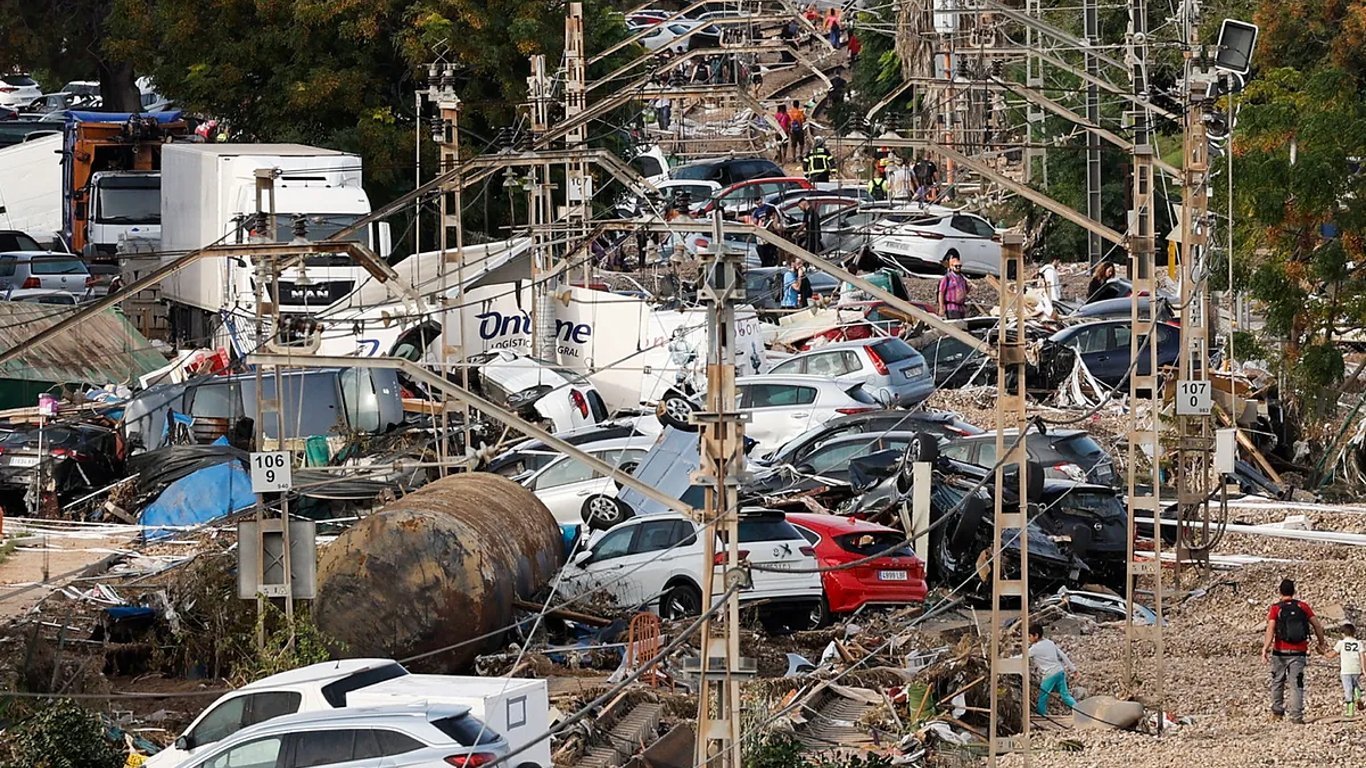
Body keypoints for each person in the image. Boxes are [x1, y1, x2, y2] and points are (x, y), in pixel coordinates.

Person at [1262, 578, 1328, 724]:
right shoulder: (1303, 606)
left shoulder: (1275, 608)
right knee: (1296, 684)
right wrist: (1321, 643)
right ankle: (1296, 717)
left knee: (1277, 681)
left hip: (1280, 652)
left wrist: (1265, 648)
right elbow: (1317, 625)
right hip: (1299, 652)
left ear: (1280, 592)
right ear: (1294, 591)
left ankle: (1277, 713)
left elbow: (1270, 628)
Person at [1028, 625, 1078, 716]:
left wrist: (1008, 661)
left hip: (1049, 674)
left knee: (1043, 696)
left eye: (1029, 636)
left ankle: (1041, 715)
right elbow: (1062, 655)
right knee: (1066, 696)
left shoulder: (1035, 648)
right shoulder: (1050, 643)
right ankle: (1081, 710)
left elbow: (1022, 657)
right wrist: (1073, 669)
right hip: (1060, 671)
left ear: (1036, 635)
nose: (1028, 638)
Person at [1325, 623, 1363, 717]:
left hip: (1346, 670)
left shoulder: (1341, 643)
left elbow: (1331, 655)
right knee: (1355, 685)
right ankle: (1358, 696)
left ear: (1343, 633)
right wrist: (1364, 669)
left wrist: (1323, 652)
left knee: (1348, 689)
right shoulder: (1358, 643)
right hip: (1356, 668)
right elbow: (1362, 657)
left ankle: (1350, 711)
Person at [937, 255, 970, 319]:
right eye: (956, 266)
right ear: (952, 267)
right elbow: (941, 293)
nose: (958, 267)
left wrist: (969, 287)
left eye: (959, 266)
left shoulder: (962, 278)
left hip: (961, 308)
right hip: (951, 307)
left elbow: (965, 292)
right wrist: (941, 307)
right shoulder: (947, 278)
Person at [752, 200, 782, 267]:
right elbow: (775, 227)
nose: (759, 204)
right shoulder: (769, 222)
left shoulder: (767, 219)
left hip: (765, 245)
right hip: (768, 244)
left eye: (760, 202)